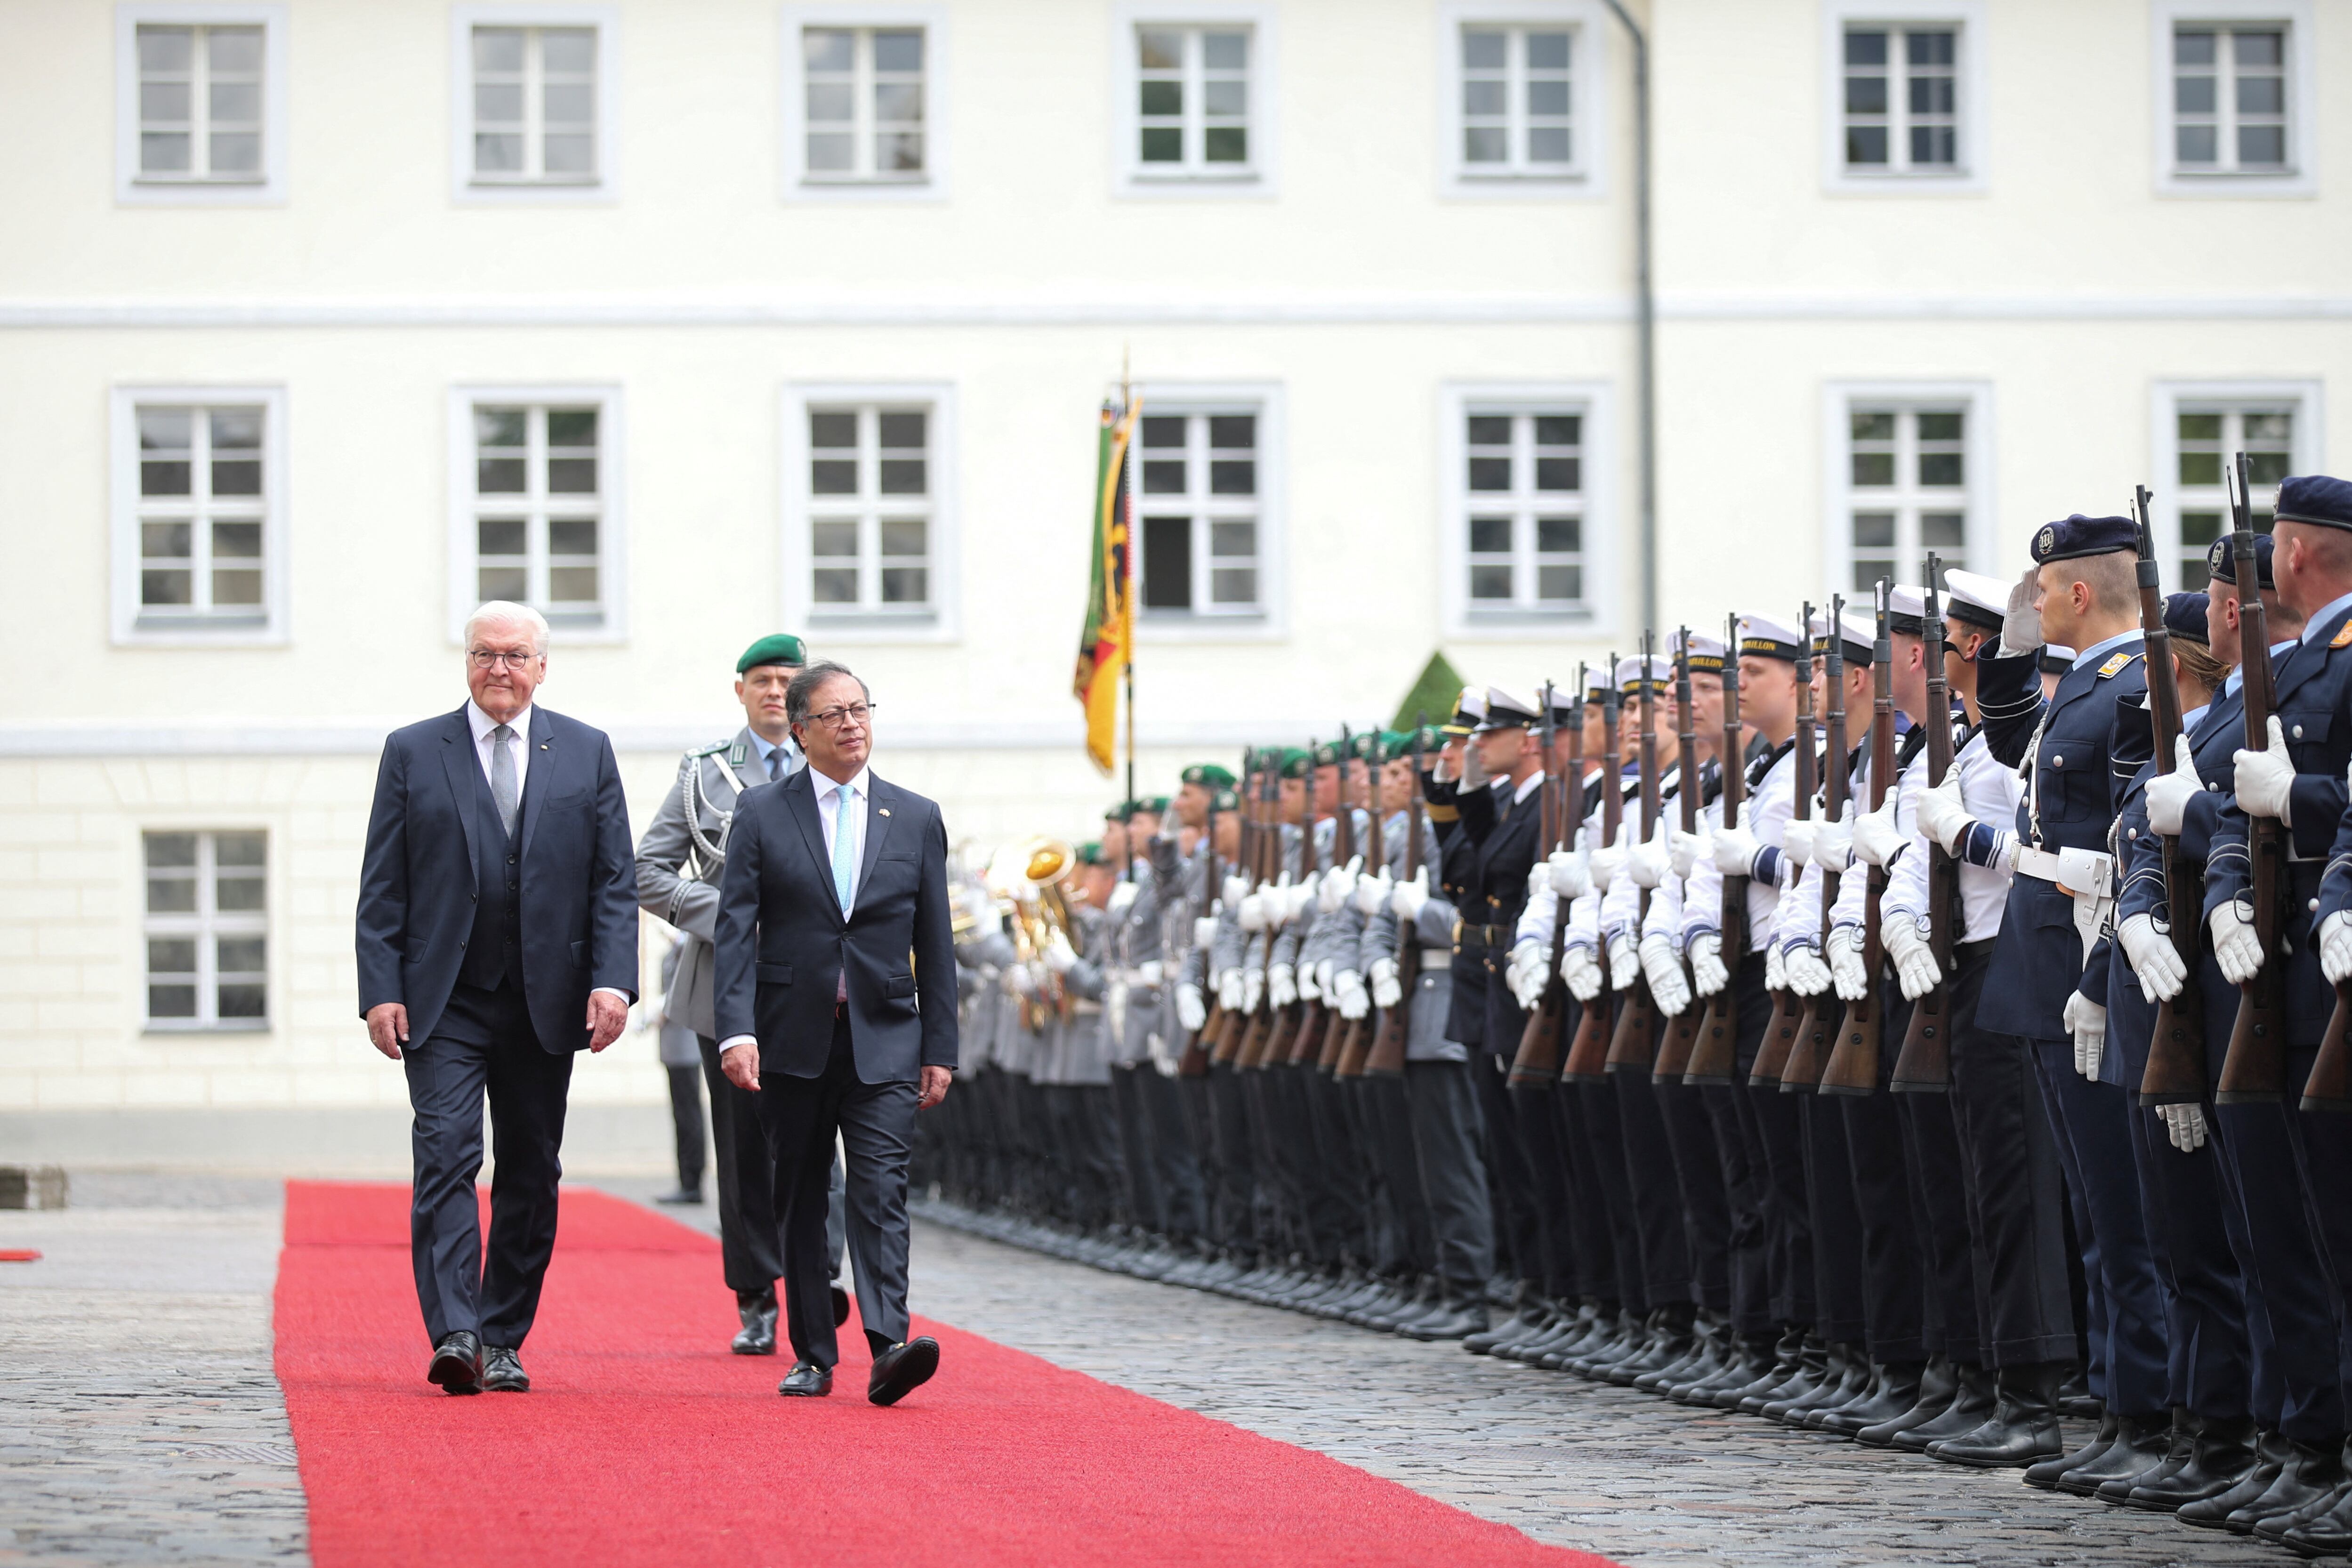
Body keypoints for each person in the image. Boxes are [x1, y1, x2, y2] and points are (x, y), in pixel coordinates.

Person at [355, 600, 638, 1396]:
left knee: (530, 1168)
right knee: (446, 1153)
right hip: (443, 998)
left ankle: (504, 1333)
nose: (500, 669)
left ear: (543, 667)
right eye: (485, 653)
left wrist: (612, 980)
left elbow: (613, 880)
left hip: (546, 999)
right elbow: (384, 884)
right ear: (467, 662)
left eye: (516, 655)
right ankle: (457, 1332)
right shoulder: (414, 750)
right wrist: (380, 990)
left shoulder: (585, 750)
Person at [713, 660, 959, 1406]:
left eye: (860, 709)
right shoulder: (762, 811)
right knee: (802, 1191)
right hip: (792, 1035)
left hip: (886, 1034)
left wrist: (941, 1046)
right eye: (834, 714)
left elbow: (935, 941)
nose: (852, 724)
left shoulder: (914, 815)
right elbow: (736, 929)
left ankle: (888, 1344)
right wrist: (736, 1030)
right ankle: (813, 1352)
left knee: (881, 1186)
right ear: (800, 729)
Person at [635, 632, 819, 1356]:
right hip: (729, 979)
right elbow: (647, 870)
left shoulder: (833, 761)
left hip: (816, 983)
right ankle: (757, 1292)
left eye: (787, 679)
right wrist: (726, 914)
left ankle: (821, 1272)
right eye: (762, 679)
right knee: (744, 1147)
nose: (775, 690)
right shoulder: (705, 773)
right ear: (740, 690)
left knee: (821, 1135)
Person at [653, 936, 707, 1205]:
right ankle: (686, 1179)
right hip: (673, 1048)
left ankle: (692, 1181)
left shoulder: (689, 948)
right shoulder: (672, 952)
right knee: (681, 1115)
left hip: (687, 1048)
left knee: (689, 1116)